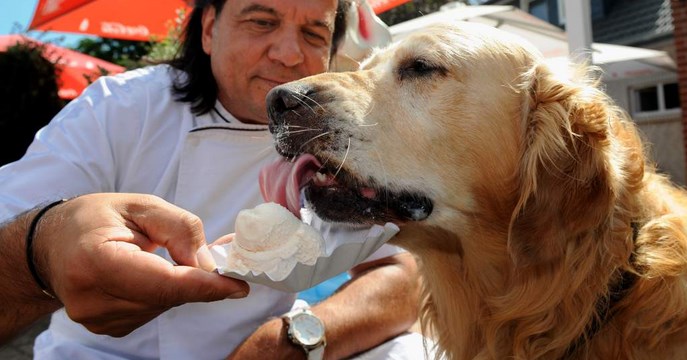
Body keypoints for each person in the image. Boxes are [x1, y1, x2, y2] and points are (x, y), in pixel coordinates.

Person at [0, 0, 424, 359]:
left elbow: (403, 276)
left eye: (314, 34)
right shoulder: (117, 109)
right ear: (208, 30)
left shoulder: (339, 140)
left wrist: (289, 341)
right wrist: (45, 248)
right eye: (262, 22)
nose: (290, 54)